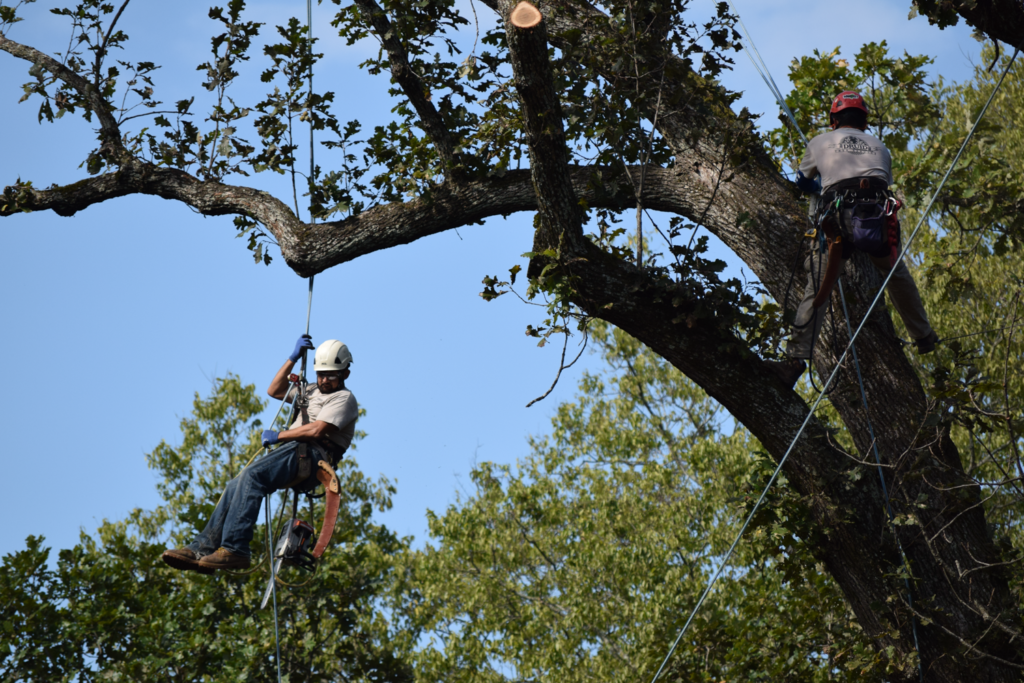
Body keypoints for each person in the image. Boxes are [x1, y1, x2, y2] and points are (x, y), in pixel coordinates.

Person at [768, 91, 939, 389]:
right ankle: (923, 335)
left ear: (834, 120)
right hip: (875, 219)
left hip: (838, 221)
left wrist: (821, 181)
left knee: (818, 284)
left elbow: (803, 181)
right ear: (865, 121)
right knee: (896, 274)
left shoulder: (819, 142)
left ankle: (794, 360)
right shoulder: (880, 147)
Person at [161, 336, 358, 572]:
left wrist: (279, 436)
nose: (324, 380)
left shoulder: (344, 399)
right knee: (236, 484)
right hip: (293, 449)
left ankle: (235, 549)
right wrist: (292, 358)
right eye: (320, 374)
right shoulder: (312, 390)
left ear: (345, 374)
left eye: (331, 376)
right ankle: (201, 548)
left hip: (311, 455)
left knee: (253, 477)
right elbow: (275, 390)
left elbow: (317, 430)